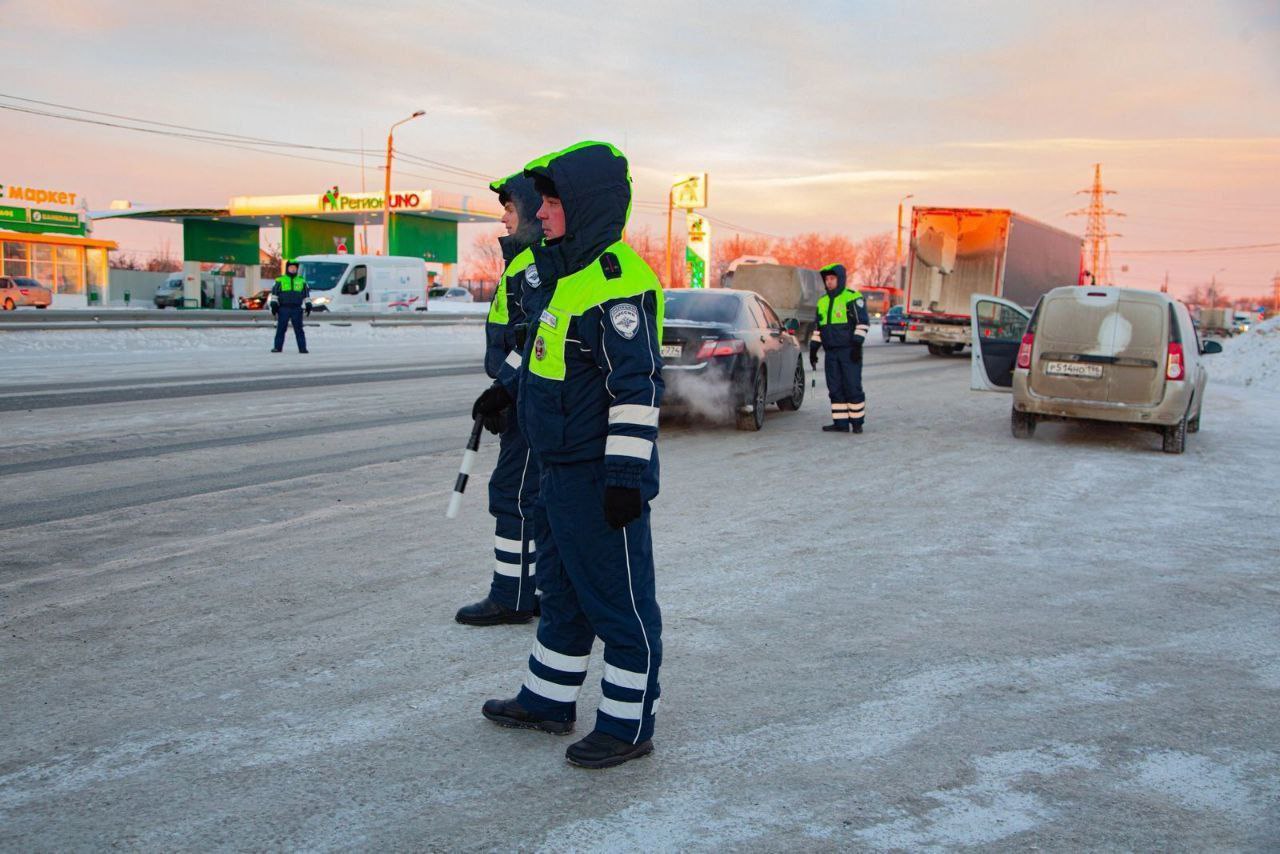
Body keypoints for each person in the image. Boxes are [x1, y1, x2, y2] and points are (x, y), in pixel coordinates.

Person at [474, 141, 666, 769]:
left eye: (555, 200)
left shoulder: (616, 281)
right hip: (557, 471)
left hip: (598, 479)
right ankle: (549, 699)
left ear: (586, 206)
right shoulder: (566, 275)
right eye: (544, 200)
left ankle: (628, 723)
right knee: (561, 593)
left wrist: (624, 477)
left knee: (618, 601)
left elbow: (634, 390)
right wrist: (507, 395)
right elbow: (552, 364)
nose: (543, 211)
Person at [455, 173, 545, 626]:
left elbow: (532, 342)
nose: (504, 218)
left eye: (510, 209)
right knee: (534, 497)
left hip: (530, 400)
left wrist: (502, 388)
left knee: (513, 495)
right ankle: (534, 589)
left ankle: (511, 596)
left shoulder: (534, 265)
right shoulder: (522, 262)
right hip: (522, 397)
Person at [809, 262, 869, 432]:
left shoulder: (852, 297)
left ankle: (857, 424)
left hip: (849, 351)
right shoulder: (822, 302)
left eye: (832, 278)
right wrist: (814, 348)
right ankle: (841, 424)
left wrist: (857, 345)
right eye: (827, 279)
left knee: (852, 386)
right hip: (831, 353)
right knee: (834, 388)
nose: (829, 282)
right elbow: (819, 328)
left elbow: (863, 323)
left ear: (840, 279)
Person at [269, 260, 311, 353]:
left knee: (299, 329)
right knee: (281, 329)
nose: (293, 269)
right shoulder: (280, 280)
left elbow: (307, 294)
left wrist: (308, 304)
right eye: (291, 267)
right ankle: (277, 347)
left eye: (294, 268)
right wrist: (274, 304)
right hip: (284, 308)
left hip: (297, 308)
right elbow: (274, 293)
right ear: (287, 268)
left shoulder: (302, 281)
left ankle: (302, 348)